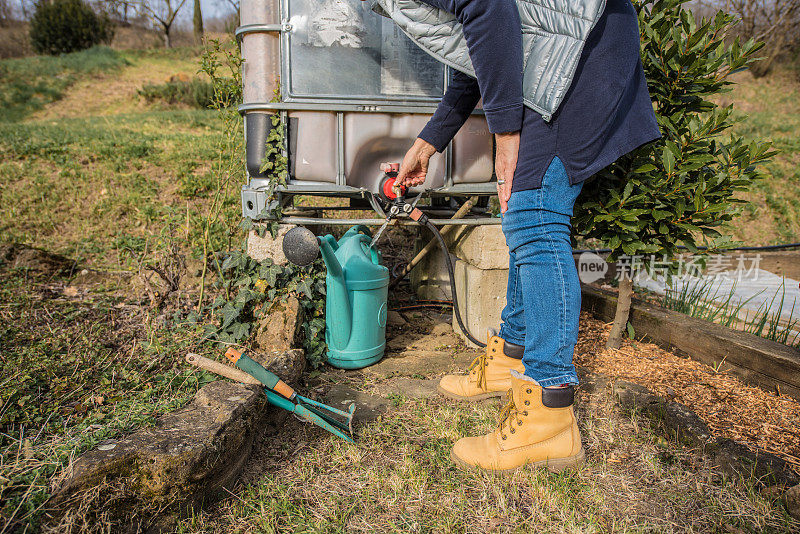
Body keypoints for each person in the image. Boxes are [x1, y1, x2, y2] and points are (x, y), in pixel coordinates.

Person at [376, 0, 661, 472]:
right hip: (562, 52)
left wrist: (508, 133)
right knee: (522, 210)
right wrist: (427, 144)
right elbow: (481, 53)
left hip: (578, 55)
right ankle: (512, 357)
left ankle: (550, 411)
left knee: (535, 214)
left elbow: (489, 9)